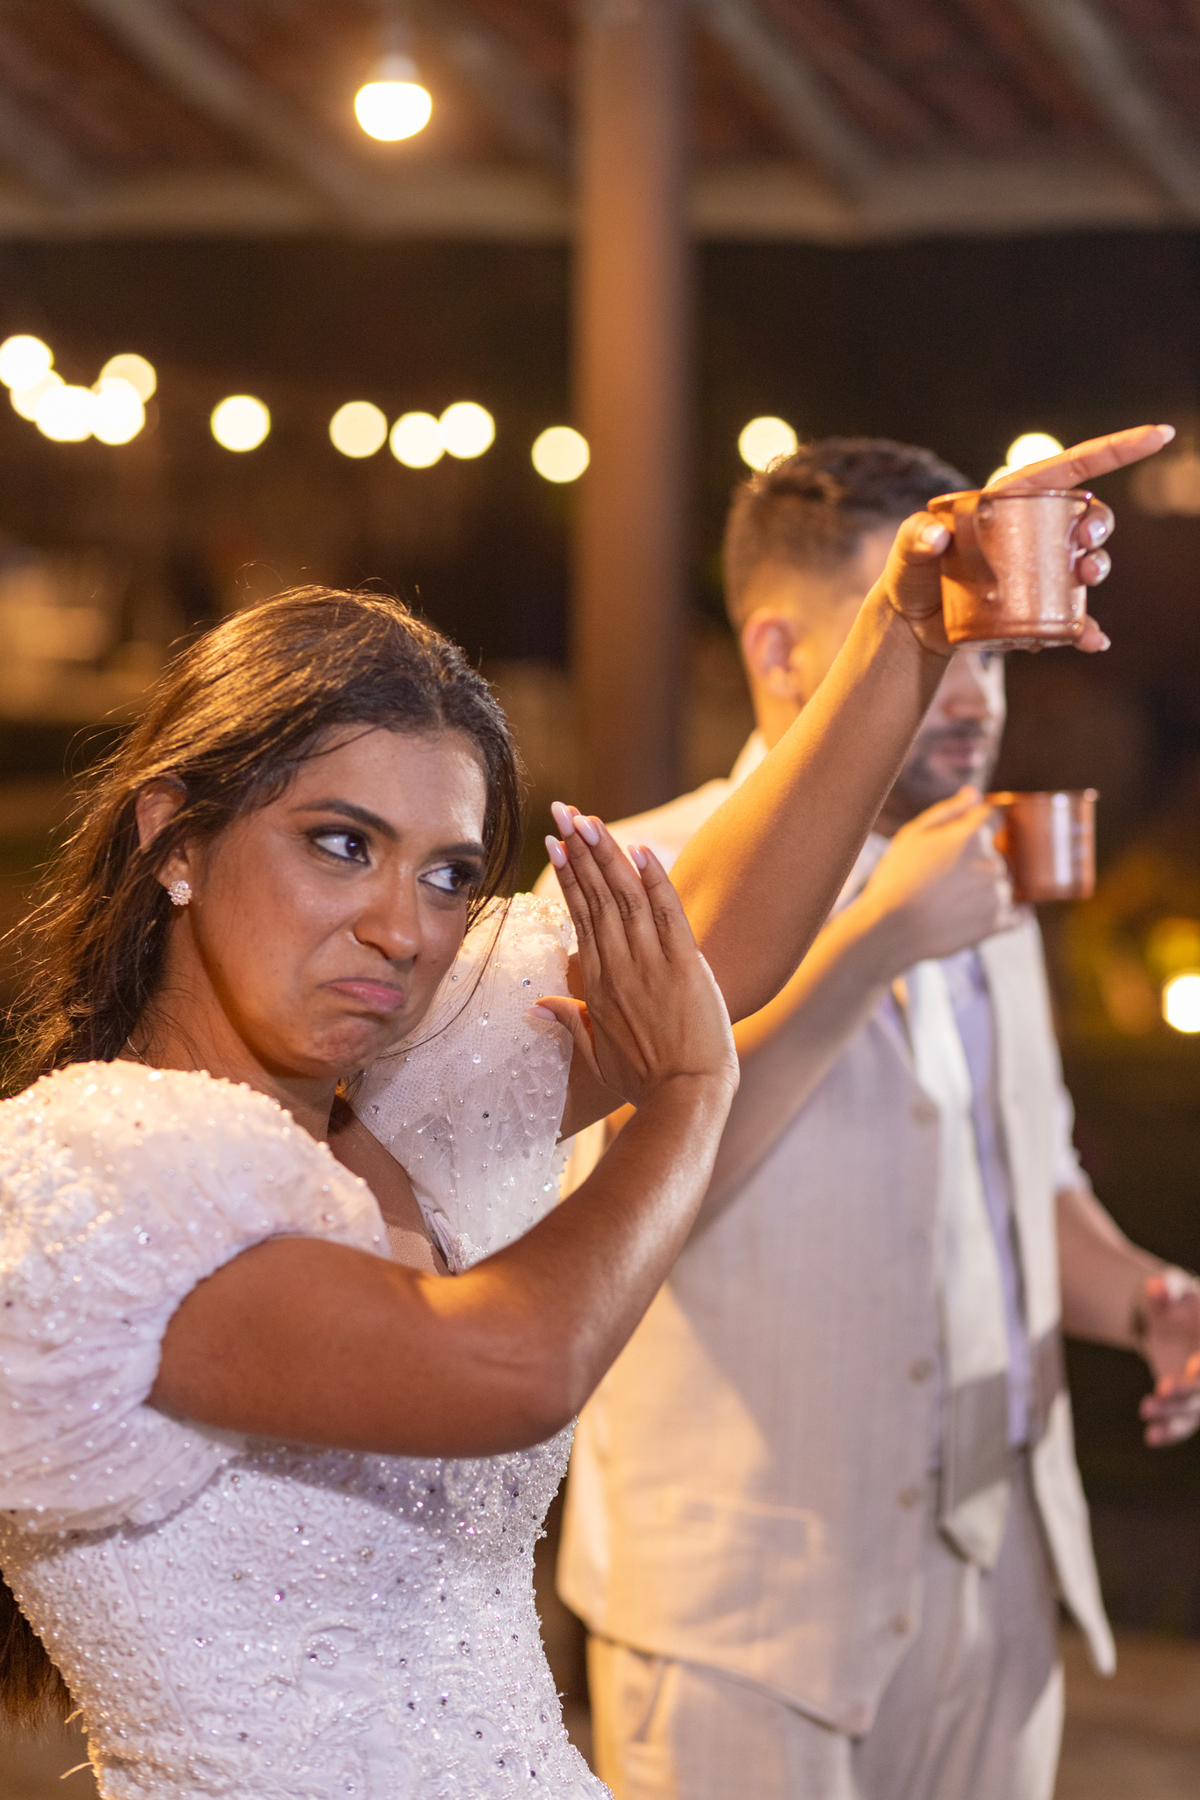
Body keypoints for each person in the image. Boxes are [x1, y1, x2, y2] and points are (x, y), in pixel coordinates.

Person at [0, 426, 1165, 1797]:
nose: (400, 928)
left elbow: (706, 942)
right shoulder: (89, 1176)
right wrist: (688, 1095)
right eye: (341, 844)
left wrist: (907, 628)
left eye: (448, 874)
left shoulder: (411, 1092)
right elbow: (512, 1367)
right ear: (174, 839)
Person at [550, 436, 1200, 1800]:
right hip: (739, 1622)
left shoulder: (986, 870)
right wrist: (865, 949)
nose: (971, 698)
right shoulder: (644, 879)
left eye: (988, 654)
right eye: (923, 642)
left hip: (991, 1597)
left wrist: (1146, 1299)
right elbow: (613, 1227)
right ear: (781, 649)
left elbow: (1031, 1180)